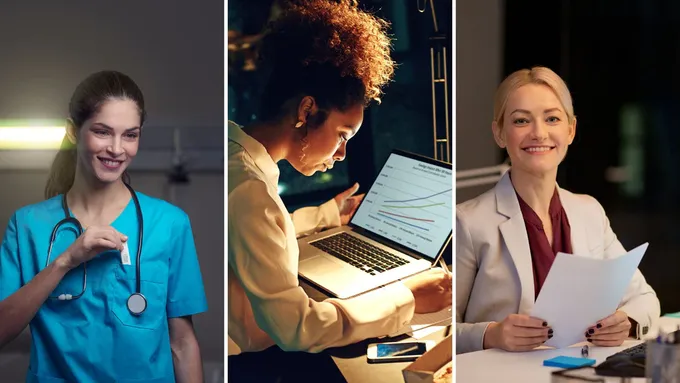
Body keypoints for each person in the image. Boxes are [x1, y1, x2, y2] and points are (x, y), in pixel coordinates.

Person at [228, 0, 452, 356]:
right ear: (307, 110)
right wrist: (408, 297)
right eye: (343, 135)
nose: (341, 154)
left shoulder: (232, 150)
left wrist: (327, 216)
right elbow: (298, 330)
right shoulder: (248, 192)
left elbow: (257, 236)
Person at [0, 71, 208, 382]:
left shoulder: (169, 223)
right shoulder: (28, 226)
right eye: (102, 132)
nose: (116, 148)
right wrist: (65, 262)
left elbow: (181, 342)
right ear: (73, 131)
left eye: (130, 135)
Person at [456, 66, 660, 354]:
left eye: (552, 118)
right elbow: (443, 332)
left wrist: (626, 321)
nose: (539, 133)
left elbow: (645, 299)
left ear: (570, 130)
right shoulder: (469, 221)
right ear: (500, 133)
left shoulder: (589, 211)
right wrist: (491, 334)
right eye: (521, 121)